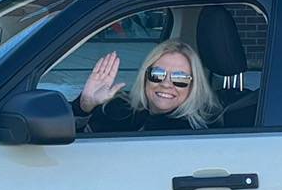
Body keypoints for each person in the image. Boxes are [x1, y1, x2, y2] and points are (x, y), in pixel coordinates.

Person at [74, 39, 223, 133]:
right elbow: (74, 150)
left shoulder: (199, 134)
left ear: (193, 85)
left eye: (180, 78)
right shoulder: (117, 110)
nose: (166, 84)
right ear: (145, 77)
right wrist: (85, 105)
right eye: (157, 74)